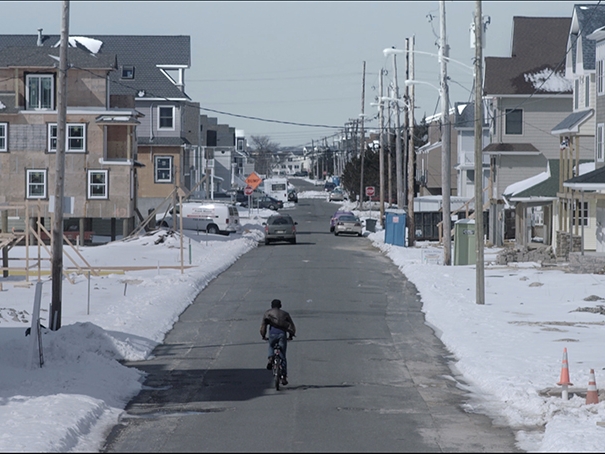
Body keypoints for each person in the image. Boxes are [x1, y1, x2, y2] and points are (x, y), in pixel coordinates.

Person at [260, 299, 296, 385]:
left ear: (271, 306)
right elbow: (291, 326)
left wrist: (263, 336)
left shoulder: (268, 313)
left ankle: (270, 358)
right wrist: (291, 336)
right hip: (282, 335)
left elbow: (263, 326)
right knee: (282, 355)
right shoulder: (285, 314)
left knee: (271, 346)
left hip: (272, 334)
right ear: (280, 305)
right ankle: (283, 376)